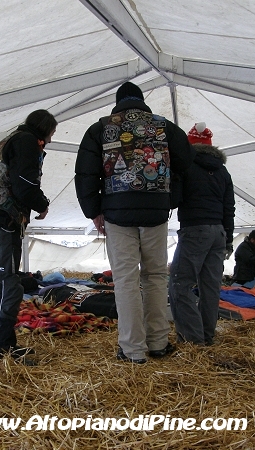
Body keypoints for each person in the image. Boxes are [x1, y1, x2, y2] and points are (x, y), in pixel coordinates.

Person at [75, 81, 195, 364]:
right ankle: (158, 343)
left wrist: (94, 211)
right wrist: (170, 199)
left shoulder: (101, 128)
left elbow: (86, 174)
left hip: (116, 214)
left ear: (118, 102)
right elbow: (186, 163)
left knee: (126, 280)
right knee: (155, 277)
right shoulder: (164, 126)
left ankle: (132, 350)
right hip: (155, 213)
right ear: (142, 102)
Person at [0, 109, 56, 365]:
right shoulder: (26, 141)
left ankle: (0, 343)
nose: (51, 140)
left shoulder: (14, 138)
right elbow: (24, 182)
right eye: (51, 133)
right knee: (6, 282)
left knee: (0, 282)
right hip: (0, 219)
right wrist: (41, 204)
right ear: (43, 129)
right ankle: (3, 348)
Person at [168, 123, 235, 346]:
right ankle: (207, 336)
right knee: (210, 287)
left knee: (180, 284)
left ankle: (192, 341)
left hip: (194, 229)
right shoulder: (223, 171)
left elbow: (175, 199)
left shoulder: (186, 166)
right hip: (218, 232)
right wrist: (228, 240)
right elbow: (229, 208)